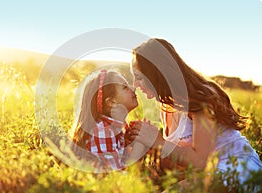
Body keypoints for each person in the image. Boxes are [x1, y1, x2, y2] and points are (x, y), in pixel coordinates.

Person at [128, 38, 262, 184]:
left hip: (234, 166)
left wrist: (157, 141)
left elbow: (201, 161)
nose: (135, 85)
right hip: (206, 173)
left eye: (139, 78)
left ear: (157, 73)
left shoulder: (201, 99)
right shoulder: (166, 105)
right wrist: (148, 148)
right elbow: (182, 164)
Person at [72, 69, 142, 171]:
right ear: (112, 102)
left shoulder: (118, 129)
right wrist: (140, 146)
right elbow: (115, 175)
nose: (133, 88)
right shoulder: (103, 132)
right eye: (125, 87)